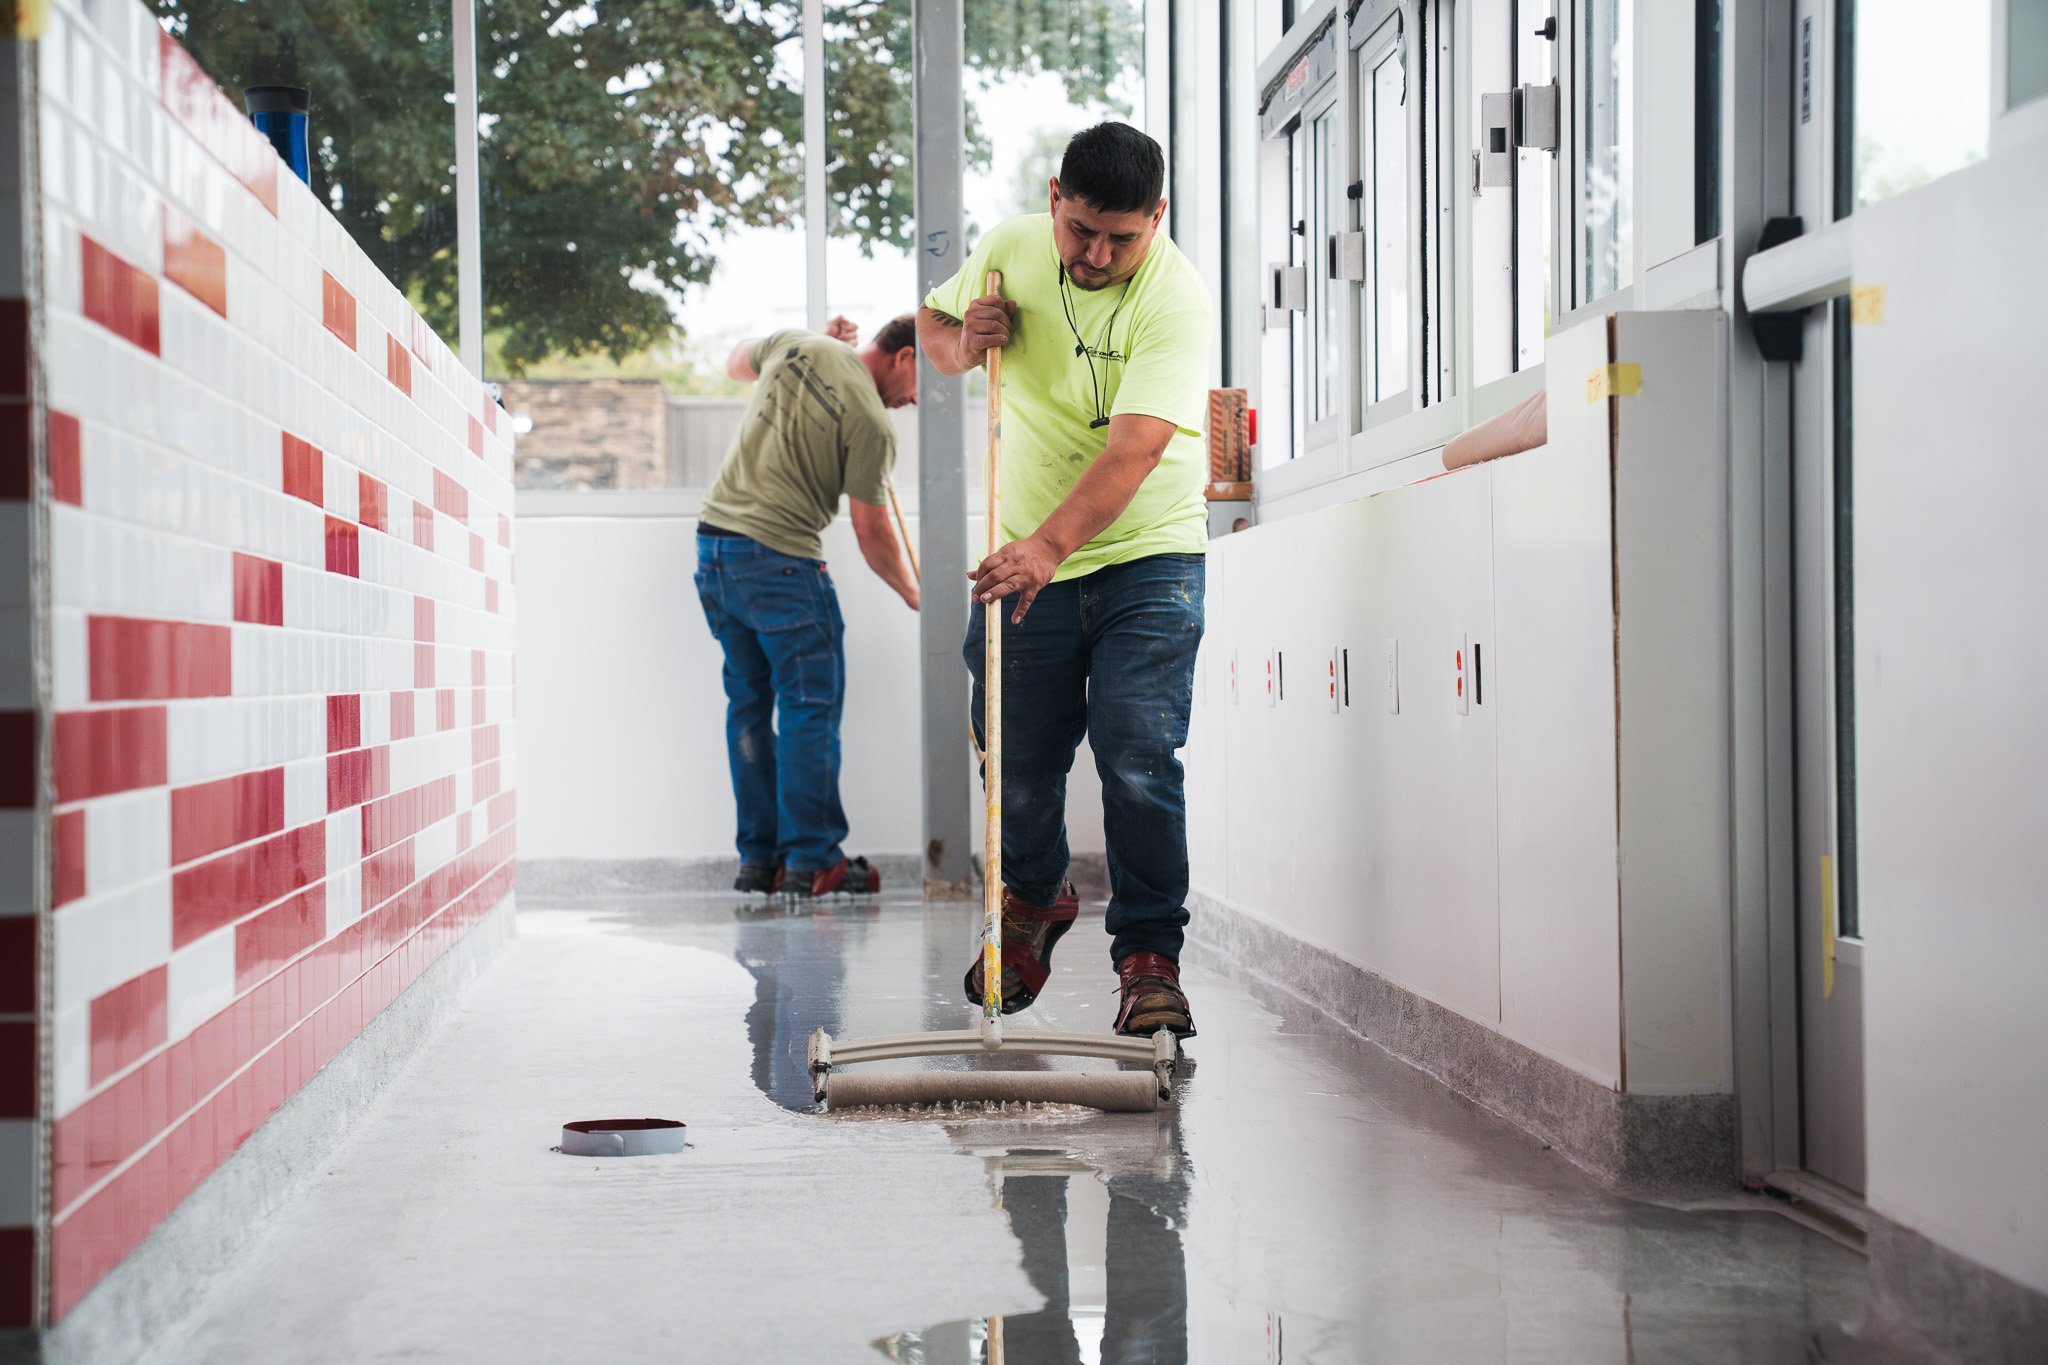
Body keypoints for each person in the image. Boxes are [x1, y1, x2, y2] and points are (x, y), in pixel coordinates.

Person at [918, 122, 1211, 1038]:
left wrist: (1047, 548)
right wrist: (965, 343)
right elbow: (928, 329)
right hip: (1026, 550)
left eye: (1122, 237)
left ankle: (1149, 958)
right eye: (1081, 229)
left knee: (1137, 752)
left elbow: (1136, 452)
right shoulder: (1009, 249)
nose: (1096, 254)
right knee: (1014, 758)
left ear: (1156, 218)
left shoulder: (1177, 298)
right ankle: (1035, 901)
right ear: (1054, 197)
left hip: (1147, 553)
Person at [695, 314, 921, 896]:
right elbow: (872, 533)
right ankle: (813, 861)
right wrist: (913, 591)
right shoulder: (872, 422)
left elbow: (733, 362)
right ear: (903, 356)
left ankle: (758, 861)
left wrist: (816, 340)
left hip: (715, 552)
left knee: (748, 706)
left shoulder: (798, 343)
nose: (917, 400)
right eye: (925, 382)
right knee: (808, 708)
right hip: (782, 563)